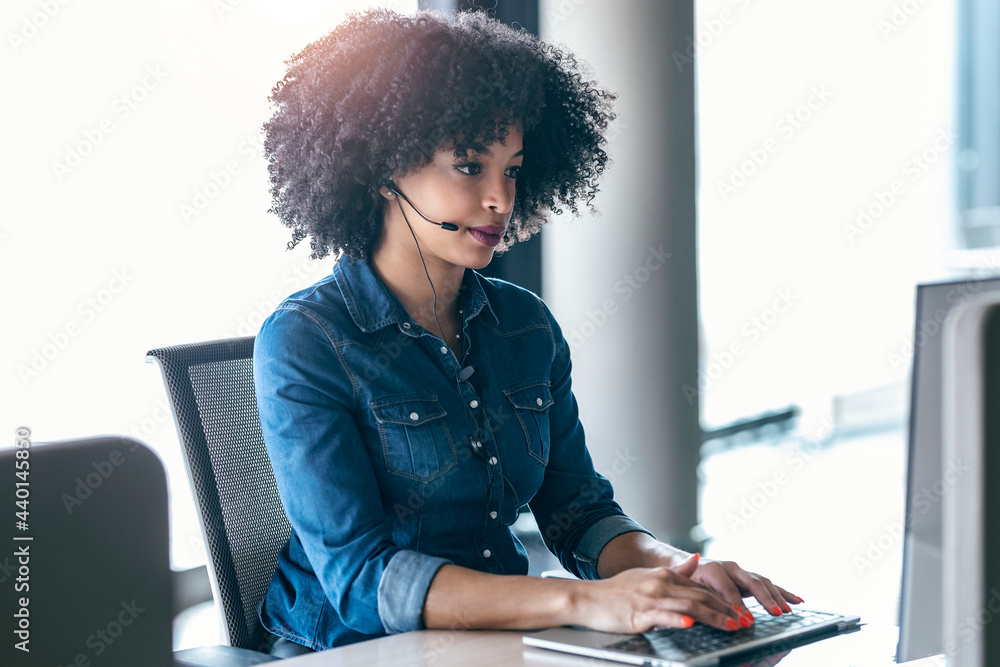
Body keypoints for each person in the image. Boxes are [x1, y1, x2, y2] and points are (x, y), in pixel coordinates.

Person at [252, 7, 801, 655]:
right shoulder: (304, 340)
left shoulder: (525, 326)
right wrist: (584, 601)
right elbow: (364, 580)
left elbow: (578, 512)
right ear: (382, 164)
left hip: (495, 634)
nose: (500, 200)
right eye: (469, 166)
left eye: (511, 169)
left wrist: (674, 569)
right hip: (349, 646)